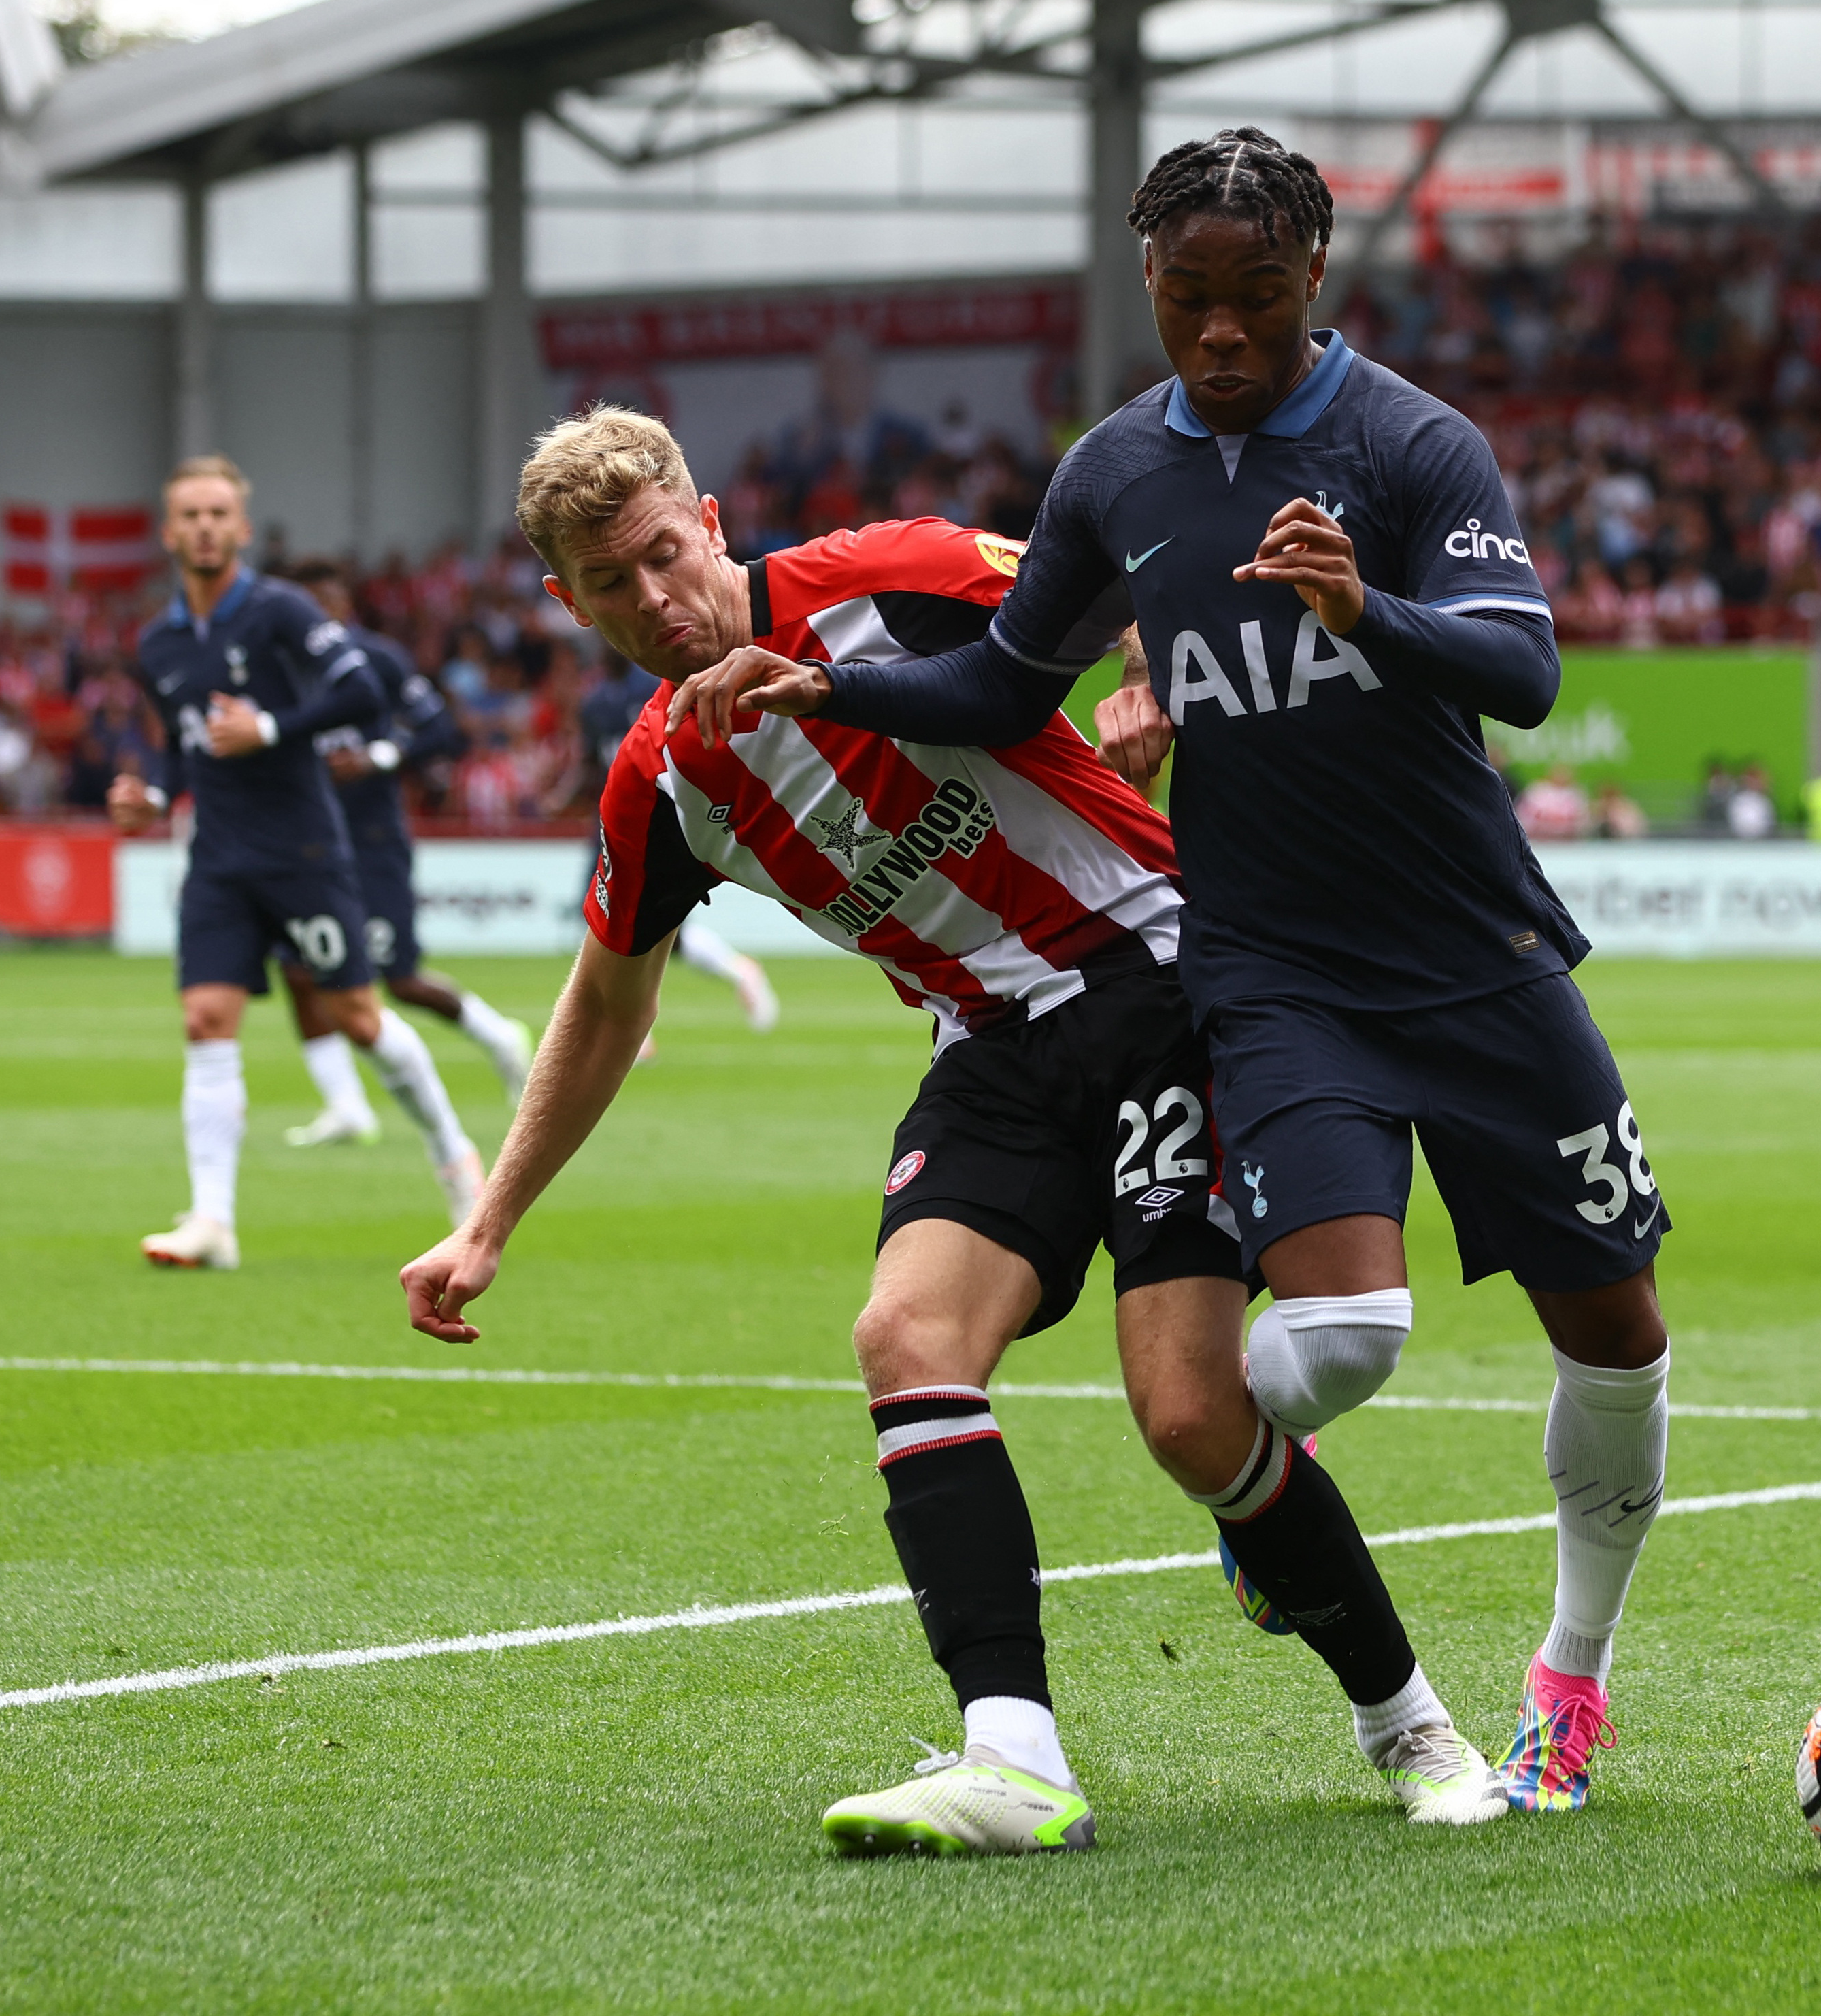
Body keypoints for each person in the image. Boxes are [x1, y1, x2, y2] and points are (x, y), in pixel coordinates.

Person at [674, 128, 1676, 1817]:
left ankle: (1564, 1680)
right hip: (1270, 966)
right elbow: (1007, 682)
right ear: (1148, 282)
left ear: (1313, 278)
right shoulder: (1114, 473)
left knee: (1620, 1336)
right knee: (1345, 1332)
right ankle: (1256, 1495)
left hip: (1475, 952)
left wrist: (1368, 612)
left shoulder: (1410, 443)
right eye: (1189, 299)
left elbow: (1519, 668)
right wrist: (828, 691)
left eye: (1255, 299)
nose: (1220, 332)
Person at [399, 407, 1507, 1857]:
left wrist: (1153, 682)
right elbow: (607, 1002)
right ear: (567, 602)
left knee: (1190, 1418)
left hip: (1158, 981)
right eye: (610, 585)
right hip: (990, 1049)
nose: (654, 601)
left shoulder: (891, 572)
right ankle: (1014, 1754)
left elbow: (1133, 579)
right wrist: (489, 1220)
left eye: (664, 554)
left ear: (713, 521)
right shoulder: (665, 779)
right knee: (903, 1335)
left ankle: (1408, 1720)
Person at [107, 455, 481, 1271]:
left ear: (240, 529)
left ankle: (457, 1160)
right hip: (218, 857)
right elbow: (181, 745)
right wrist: (152, 794)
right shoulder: (159, 640)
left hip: (303, 850)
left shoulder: (281, 611)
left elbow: (360, 696)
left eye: (219, 514)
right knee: (205, 1020)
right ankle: (213, 1221)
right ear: (169, 533)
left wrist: (272, 728)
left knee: (358, 1016)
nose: (205, 527)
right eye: (191, 515)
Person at [270, 558, 535, 1145]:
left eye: (325, 604)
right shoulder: (279, 668)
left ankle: (501, 1038)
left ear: (342, 605)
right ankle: (346, 1107)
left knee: (400, 979)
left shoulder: (376, 660)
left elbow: (441, 730)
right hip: (308, 842)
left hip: (371, 842)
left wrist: (378, 758)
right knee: (296, 969)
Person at [575, 657, 778, 1047]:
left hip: (661, 817)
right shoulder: (595, 703)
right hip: (613, 817)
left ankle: (632, 1033)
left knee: (634, 924)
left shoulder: (657, 686)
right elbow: (592, 762)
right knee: (616, 923)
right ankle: (732, 973)